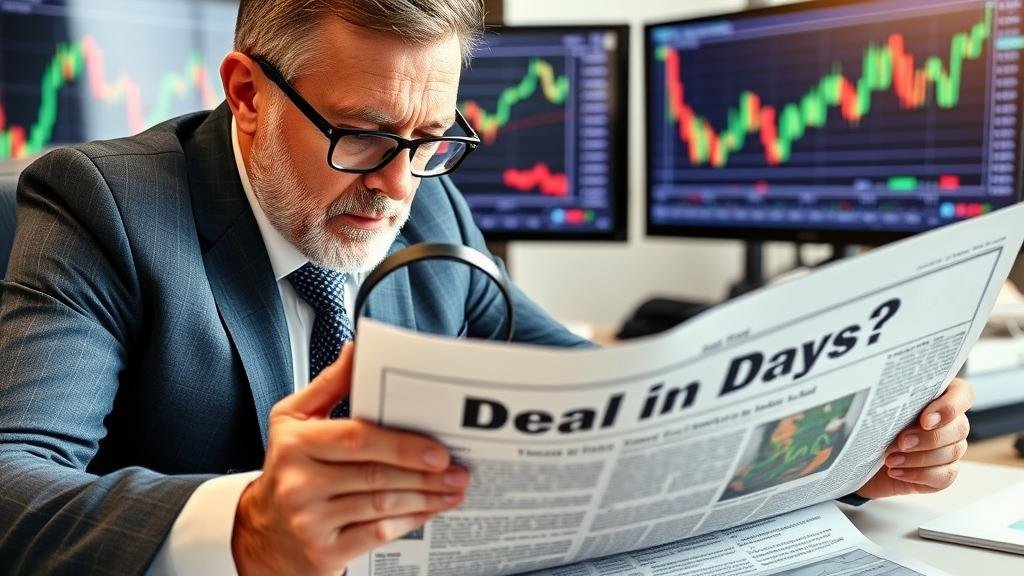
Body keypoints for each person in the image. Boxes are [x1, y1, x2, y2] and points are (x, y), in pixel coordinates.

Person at [0, 1, 975, 574]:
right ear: (248, 96)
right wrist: (245, 528)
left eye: (430, 141)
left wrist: (842, 447)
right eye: (364, 134)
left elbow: (622, 410)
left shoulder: (429, 206)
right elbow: (12, 490)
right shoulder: (103, 208)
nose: (395, 185)